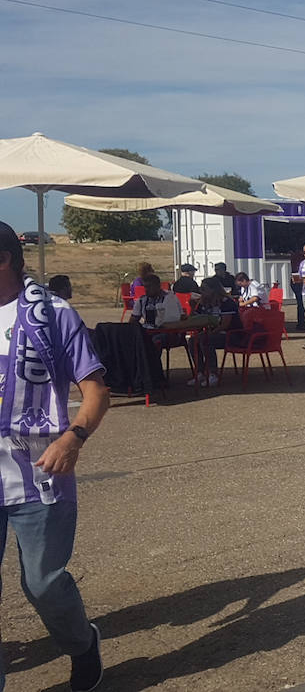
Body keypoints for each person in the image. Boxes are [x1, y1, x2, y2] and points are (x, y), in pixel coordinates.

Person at [0, 222, 109, 692]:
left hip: (38, 469)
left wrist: (74, 437)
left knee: (43, 583)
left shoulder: (55, 314)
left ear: (3, 260)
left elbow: (96, 391)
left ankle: (83, 644)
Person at [186, 280, 239, 387]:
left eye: (204, 289)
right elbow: (195, 320)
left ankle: (212, 373)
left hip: (231, 334)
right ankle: (200, 372)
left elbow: (225, 324)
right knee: (192, 341)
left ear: (213, 290)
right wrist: (193, 307)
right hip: (214, 333)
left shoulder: (226, 302)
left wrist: (211, 333)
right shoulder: (204, 302)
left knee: (205, 339)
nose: (201, 292)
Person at [288, 246, 305, 330]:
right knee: (301, 304)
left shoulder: (294, 256)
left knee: (300, 303)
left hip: (295, 281)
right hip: (299, 281)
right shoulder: (302, 257)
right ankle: (301, 323)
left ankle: (301, 322)